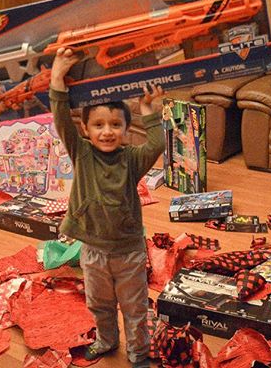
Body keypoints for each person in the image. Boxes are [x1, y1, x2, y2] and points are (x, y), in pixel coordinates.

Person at [49, 47, 165, 368]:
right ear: (85, 130)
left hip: (128, 251)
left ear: (127, 130)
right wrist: (57, 76)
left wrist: (148, 109)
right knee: (99, 303)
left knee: (134, 307)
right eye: (99, 125)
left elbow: (156, 144)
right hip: (93, 251)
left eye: (115, 124)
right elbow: (61, 121)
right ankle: (106, 339)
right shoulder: (81, 153)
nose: (107, 131)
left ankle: (138, 354)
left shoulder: (131, 159)